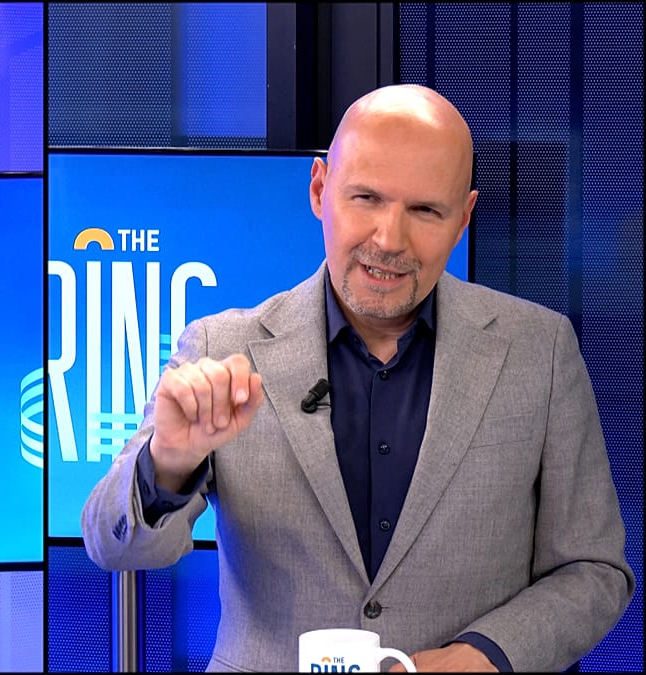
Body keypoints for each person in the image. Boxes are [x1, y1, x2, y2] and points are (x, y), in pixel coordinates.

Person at [81, 84, 633, 672]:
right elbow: (113, 546)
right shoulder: (222, 348)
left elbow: (594, 570)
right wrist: (168, 462)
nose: (389, 240)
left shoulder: (539, 351)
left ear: (464, 218)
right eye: (366, 198)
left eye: (425, 210)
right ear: (320, 189)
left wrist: (484, 657)